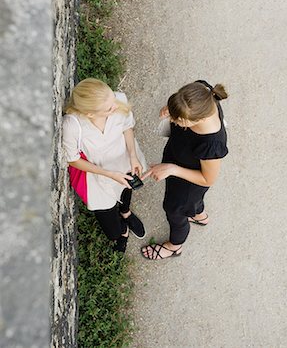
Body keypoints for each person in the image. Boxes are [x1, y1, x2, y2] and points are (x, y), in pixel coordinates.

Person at [141, 80, 228, 260]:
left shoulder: (211, 143)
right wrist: (173, 109)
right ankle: (198, 214)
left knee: (175, 210)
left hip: (189, 182)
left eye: (178, 120)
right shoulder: (201, 92)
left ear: (199, 119)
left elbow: (208, 179)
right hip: (180, 160)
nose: (172, 120)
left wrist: (172, 169)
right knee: (191, 204)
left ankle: (175, 246)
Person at [63, 78, 147, 253]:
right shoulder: (73, 125)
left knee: (126, 188)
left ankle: (125, 212)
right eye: (109, 108)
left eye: (113, 100)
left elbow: (127, 128)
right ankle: (122, 231)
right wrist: (109, 174)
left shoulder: (117, 100)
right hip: (97, 172)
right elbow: (73, 160)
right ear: (90, 114)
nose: (115, 107)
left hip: (124, 159)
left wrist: (132, 155)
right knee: (110, 225)